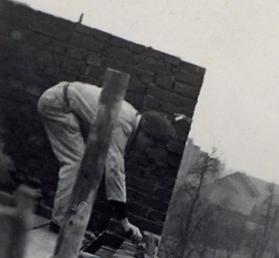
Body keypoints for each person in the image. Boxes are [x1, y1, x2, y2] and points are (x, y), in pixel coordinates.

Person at [37, 81, 175, 240]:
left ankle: (70, 225)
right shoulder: (122, 124)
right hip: (58, 105)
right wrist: (124, 222)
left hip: (66, 105)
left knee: (88, 167)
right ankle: (60, 224)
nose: (146, 150)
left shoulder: (130, 119)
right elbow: (115, 171)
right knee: (76, 163)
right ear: (146, 133)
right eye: (150, 145)